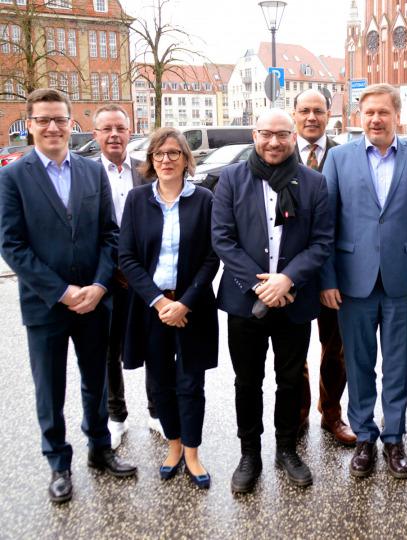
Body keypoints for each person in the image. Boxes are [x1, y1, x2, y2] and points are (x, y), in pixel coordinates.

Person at [0, 89, 136, 504]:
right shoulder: (13, 177)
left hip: (95, 301)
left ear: (70, 123)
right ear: (31, 125)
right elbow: (12, 244)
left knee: (95, 381)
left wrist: (97, 286)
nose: (53, 127)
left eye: (60, 119)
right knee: (50, 388)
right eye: (44, 120)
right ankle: (58, 462)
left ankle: (99, 448)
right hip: (46, 306)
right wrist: (61, 292)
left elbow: (110, 235)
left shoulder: (91, 171)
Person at [320, 83, 407, 480]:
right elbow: (327, 224)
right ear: (359, 115)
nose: (375, 119)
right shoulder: (338, 159)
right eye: (368, 112)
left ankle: (393, 438)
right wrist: (328, 278)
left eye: (383, 112)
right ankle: (365, 437)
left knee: (398, 365)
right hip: (353, 282)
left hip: (403, 283)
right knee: (358, 363)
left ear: (396, 115)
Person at [212, 109, 332, 494]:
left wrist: (287, 279)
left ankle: (286, 449)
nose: (274, 141)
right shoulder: (230, 179)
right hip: (244, 303)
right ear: (255, 134)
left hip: (294, 300)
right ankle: (249, 454)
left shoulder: (313, 183)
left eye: (282, 134)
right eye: (266, 134)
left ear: (293, 136)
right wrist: (260, 285)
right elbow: (223, 238)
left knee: (289, 379)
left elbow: (322, 242)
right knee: (247, 382)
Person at [119, 127, 218, 489]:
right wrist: (160, 301)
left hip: (192, 304)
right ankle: (173, 446)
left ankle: (192, 451)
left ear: (186, 159)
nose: (166, 160)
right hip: (151, 305)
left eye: (174, 153)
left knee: (191, 381)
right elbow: (127, 257)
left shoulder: (204, 200)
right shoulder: (136, 199)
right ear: (150, 161)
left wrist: (184, 302)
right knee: (160, 380)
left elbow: (212, 257)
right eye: (159, 154)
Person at [92, 104, 161, 448]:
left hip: (144, 277)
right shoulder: (86, 175)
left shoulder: (146, 172)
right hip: (105, 279)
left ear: (130, 131)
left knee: (151, 343)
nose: (114, 135)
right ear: (97, 135)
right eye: (107, 129)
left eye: (120, 128)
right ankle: (116, 415)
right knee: (109, 350)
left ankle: (156, 410)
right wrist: (113, 268)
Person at [293, 89, 355, 446]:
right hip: (295, 271)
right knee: (295, 347)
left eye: (319, 110)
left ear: (329, 113)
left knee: (335, 347)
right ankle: (299, 412)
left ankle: (331, 412)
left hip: (336, 267)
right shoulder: (281, 153)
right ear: (295, 113)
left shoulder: (345, 156)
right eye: (305, 110)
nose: (312, 117)